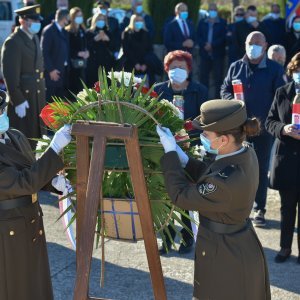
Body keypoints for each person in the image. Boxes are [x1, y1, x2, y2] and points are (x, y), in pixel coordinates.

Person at [156, 99, 271, 300]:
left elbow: (181, 196)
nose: (202, 137)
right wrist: (184, 160)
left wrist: (171, 154)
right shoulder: (243, 152)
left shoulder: (226, 181)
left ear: (224, 139)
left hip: (226, 256)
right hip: (233, 245)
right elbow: (212, 173)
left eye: (206, 134)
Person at [0, 89, 72, 300]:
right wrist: (54, 148)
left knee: (35, 285)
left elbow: (31, 169)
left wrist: (53, 183)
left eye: (3, 110)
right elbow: (24, 182)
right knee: (16, 287)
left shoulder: (14, 135)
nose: (2, 116)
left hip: (30, 219)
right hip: (8, 229)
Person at [221, 31, 285, 227]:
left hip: (263, 129)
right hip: (238, 128)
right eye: (250, 42)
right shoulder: (236, 67)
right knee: (237, 166)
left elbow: (281, 97)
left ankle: (260, 208)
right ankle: (239, 207)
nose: (254, 46)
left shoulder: (274, 69)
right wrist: (233, 102)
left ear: (265, 46)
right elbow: (224, 89)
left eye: (258, 43)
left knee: (260, 168)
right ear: (245, 44)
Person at [154, 50, 208, 254]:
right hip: (165, 147)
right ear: (167, 69)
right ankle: (167, 238)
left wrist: (195, 125)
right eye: (173, 67)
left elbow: (205, 118)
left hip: (191, 147)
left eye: (181, 67)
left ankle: (187, 237)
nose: (177, 71)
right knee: (165, 193)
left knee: (185, 193)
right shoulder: (158, 90)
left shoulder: (199, 90)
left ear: (189, 70)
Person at [265, 52, 300, 264]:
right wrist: (284, 128)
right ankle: (285, 247)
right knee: (287, 207)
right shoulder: (282, 92)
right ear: (292, 72)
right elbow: (270, 121)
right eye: (297, 71)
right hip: (287, 158)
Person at [1, 4, 46, 149]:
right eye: (34, 21)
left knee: (36, 139)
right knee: (23, 142)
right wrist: (18, 100)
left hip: (36, 97)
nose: (37, 24)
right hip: (23, 99)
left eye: (38, 20)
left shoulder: (34, 38)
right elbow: (10, 75)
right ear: (23, 21)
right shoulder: (13, 42)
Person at [121, 14, 162, 86]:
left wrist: (145, 64)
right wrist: (135, 63)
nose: (139, 22)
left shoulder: (146, 33)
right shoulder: (127, 33)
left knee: (149, 85)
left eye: (141, 20)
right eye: (137, 20)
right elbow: (126, 51)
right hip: (131, 64)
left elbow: (150, 50)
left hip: (145, 64)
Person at [197, 2, 227, 98]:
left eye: (214, 10)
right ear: (208, 11)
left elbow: (223, 37)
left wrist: (212, 45)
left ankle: (218, 100)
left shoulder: (222, 22)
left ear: (217, 11)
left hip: (218, 54)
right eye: (211, 9)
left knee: (218, 78)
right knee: (203, 78)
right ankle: (203, 99)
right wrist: (204, 44)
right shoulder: (202, 22)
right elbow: (198, 36)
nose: (212, 11)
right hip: (204, 53)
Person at [41, 8, 70, 101]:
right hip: (52, 73)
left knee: (59, 101)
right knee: (50, 101)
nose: (69, 21)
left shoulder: (63, 31)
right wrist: (51, 70)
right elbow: (44, 52)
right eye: (68, 18)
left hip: (62, 71)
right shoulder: (49, 30)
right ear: (64, 18)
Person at [86, 12, 115, 87]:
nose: (101, 21)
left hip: (106, 63)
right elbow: (86, 46)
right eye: (99, 19)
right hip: (93, 63)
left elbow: (114, 48)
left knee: (106, 84)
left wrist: (108, 40)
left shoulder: (108, 32)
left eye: (103, 19)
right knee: (93, 84)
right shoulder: (89, 32)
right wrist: (94, 39)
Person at [65, 7, 89, 94]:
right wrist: (78, 53)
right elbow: (67, 48)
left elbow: (85, 44)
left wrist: (87, 52)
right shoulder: (68, 31)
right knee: (75, 87)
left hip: (83, 64)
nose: (80, 18)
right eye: (77, 16)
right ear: (72, 17)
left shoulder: (82, 29)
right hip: (73, 65)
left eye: (80, 15)